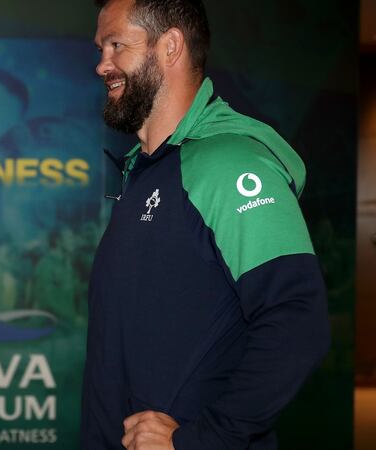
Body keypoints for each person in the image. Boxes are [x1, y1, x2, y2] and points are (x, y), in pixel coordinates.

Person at [81, 1, 329, 449]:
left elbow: (297, 320)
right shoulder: (145, 171)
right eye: (102, 48)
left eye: (117, 45)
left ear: (170, 45)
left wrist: (202, 439)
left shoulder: (227, 162)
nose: (102, 65)